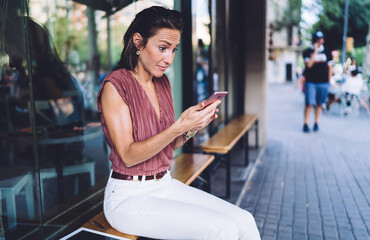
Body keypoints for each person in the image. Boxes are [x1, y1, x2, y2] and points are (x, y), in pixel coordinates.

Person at [97, 6, 260, 240]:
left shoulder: (161, 83)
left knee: (245, 220)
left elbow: (168, 145)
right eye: (162, 48)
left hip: (164, 184)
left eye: (173, 50)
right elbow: (129, 156)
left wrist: (193, 127)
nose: (169, 59)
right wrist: (179, 126)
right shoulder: (116, 86)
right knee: (224, 229)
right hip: (127, 198)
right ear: (138, 42)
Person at [302, 31, 334, 132]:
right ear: (315, 40)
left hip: (323, 82)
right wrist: (315, 52)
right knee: (309, 103)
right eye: (318, 39)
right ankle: (306, 123)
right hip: (311, 82)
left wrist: (329, 81)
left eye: (322, 39)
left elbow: (330, 68)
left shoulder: (328, 52)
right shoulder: (307, 52)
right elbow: (309, 65)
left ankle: (316, 123)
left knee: (319, 104)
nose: (321, 41)